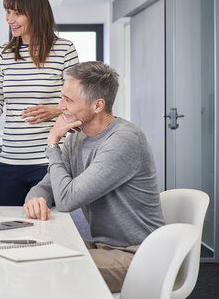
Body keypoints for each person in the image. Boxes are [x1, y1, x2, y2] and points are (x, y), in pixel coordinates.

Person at [23, 61, 164, 293]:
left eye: (68, 100)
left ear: (98, 105)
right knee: (31, 253)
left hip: (139, 254)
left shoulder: (124, 140)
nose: (60, 107)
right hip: (103, 248)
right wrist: (35, 199)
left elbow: (67, 200)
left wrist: (52, 143)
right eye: (62, 97)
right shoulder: (78, 139)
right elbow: (46, 186)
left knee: (52, 269)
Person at [0, 0, 79, 206]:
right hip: (10, 159)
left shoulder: (64, 50)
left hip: (48, 160)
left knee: (45, 228)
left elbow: (79, 104)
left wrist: (54, 110)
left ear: (36, 13)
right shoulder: (2, 54)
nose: (9, 19)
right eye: (7, 12)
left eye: (17, 13)